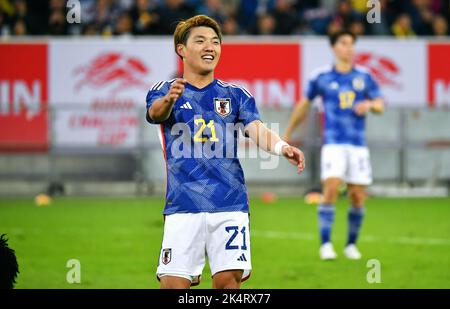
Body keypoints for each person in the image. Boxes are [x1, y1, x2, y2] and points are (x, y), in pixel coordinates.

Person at [146, 15, 305, 289]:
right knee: (173, 286)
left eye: (215, 42)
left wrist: (282, 147)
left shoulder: (236, 95)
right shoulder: (163, 91)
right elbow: (155, 113)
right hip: (183, 205)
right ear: (181, 49)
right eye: (201, 41)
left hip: (229, 204)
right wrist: (170, 99)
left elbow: (257, 129)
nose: (210, 47)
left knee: (227, 285)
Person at [284, 30, 384, 260]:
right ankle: (326, 245)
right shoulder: (321, 77)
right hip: (333, 144)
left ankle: (350, 245)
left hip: (358, 145)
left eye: (352, 44)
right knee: (330, 188)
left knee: (358, 196)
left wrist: (369, 105)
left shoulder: (364, 76)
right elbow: (304, 105)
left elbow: (380, 104)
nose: (349, 48)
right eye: (344, 43)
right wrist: (287, 133)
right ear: (334, 47)